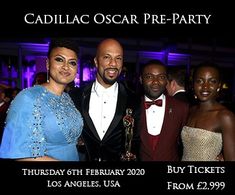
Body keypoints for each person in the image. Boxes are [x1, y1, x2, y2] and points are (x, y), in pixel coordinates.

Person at [0, 38, 83, 161]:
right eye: (59, 60)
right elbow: (20, 154)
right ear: (48, 64)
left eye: (72, 63)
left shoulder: (67, 98)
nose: (66, 67)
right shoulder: (28, 97)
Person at [69, 38, 137, 161]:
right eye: (107, 57)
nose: (113, 64)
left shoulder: (134, 99)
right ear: (96, 61)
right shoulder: (75, 96)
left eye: (118, 58)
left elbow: (136, 141)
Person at [181, 62, 235, 161]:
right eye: (200, 81)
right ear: (193, 84)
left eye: (212, 81)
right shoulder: (191, 110)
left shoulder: (225, 116)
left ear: (219, 85)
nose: (205, 86)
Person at [137, 59, 189, 161]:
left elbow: (188, 143)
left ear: (166, 81)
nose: (155, 82)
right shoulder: (133, 106)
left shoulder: (181, 108)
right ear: (141, 80)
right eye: (149, 77)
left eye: (161, 77)